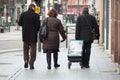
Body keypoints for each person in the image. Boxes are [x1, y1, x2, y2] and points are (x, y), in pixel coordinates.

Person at [18, 4, 40, 69]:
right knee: (33, 51)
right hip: (33, 36)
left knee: (25, 49)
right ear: (33, 8)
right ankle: (31, 63)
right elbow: (38, 26)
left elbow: (19, 23)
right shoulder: (36, 15)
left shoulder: (23, 14)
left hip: (25, 35)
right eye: (35, 8)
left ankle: (26, 60)